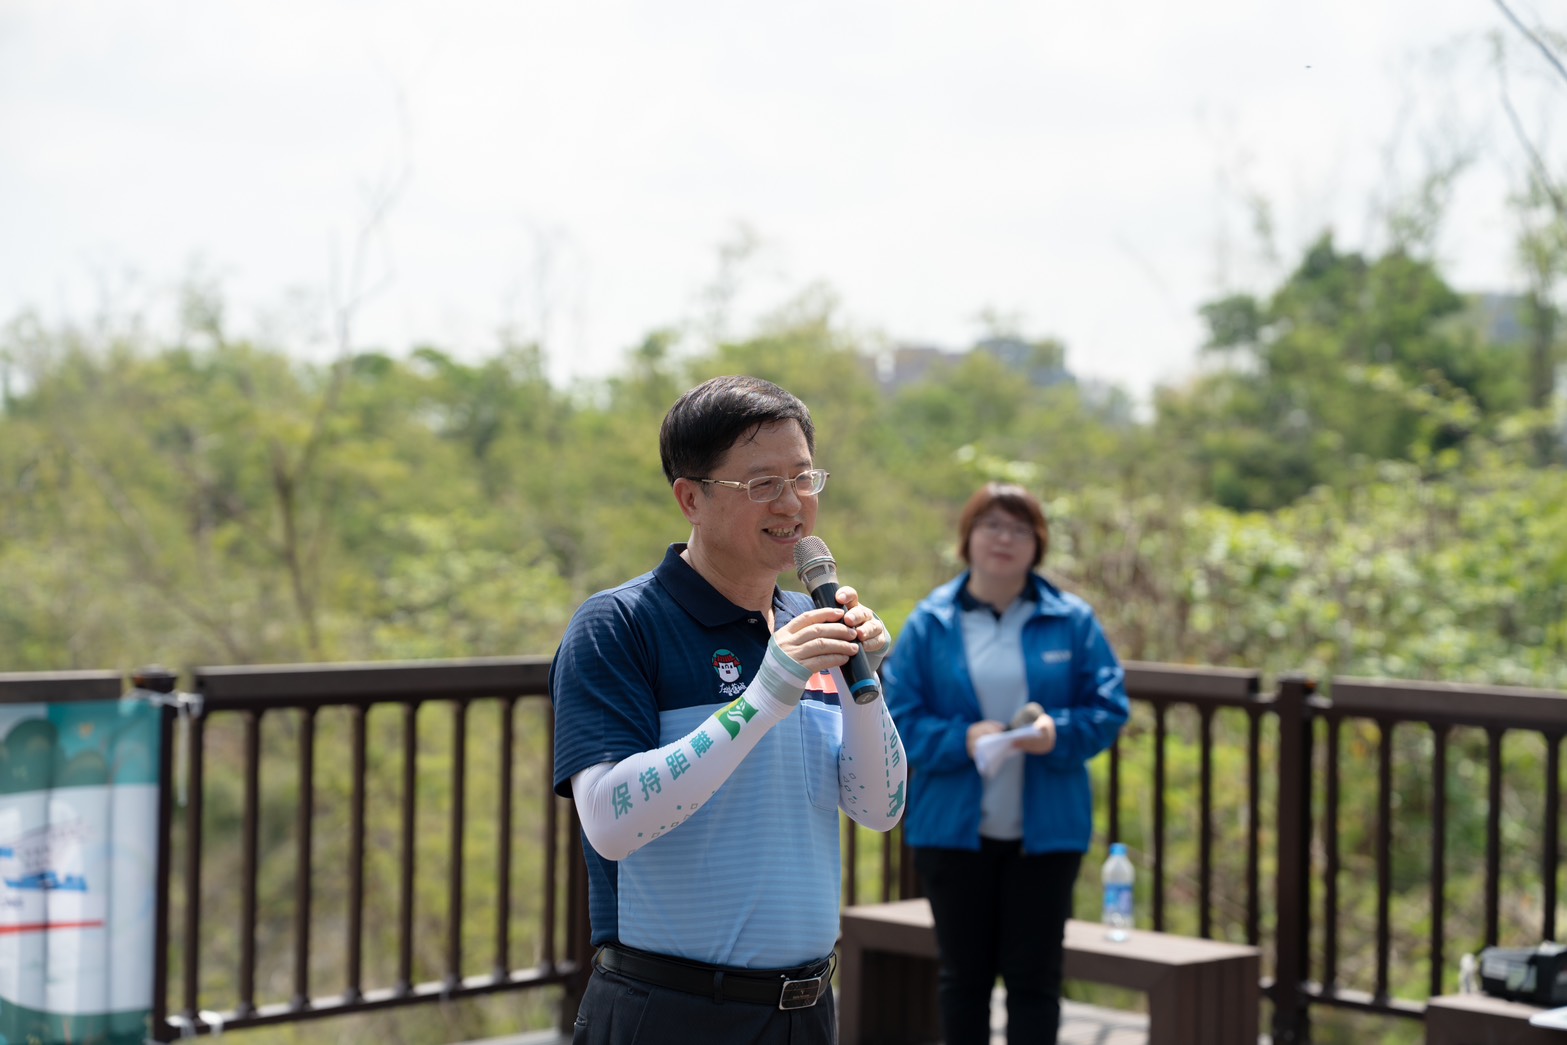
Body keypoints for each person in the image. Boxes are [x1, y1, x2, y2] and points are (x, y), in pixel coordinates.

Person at [550, 374, 907, 1045]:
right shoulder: (621, 624)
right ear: (691, 497)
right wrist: (765, 695)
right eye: (762, 483)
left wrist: (866, 685)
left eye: (804, 477)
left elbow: (878, 808)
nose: (792, 503)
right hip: (672, 1008)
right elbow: (608, 822)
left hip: (806, 1009)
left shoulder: (810, 621)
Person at [881, 482, 1129, 1045]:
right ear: (967, 538)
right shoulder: (932, 621)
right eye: (991, 525)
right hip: (952, 830)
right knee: (962, 979)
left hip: (1047, 834)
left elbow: (1109, 708)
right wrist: (963, 738)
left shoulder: (1072, 620)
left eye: (1020, 529)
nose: (1004, 539)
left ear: (1037, 545)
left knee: (1036, 980)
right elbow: (897, 720)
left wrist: (1056, 733)